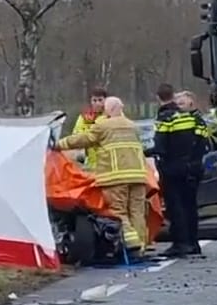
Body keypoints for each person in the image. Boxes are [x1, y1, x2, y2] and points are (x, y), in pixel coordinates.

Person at [54, 96, 151, 257]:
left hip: (115, 177)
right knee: (137, 212)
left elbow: (84, 139)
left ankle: (130, 245)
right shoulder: (133, 126)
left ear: (110, 109)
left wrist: (58, 145)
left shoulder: (103, 125)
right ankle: (141, 246)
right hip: (138, 176)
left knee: (119, 212)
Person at [152, 85, 208, 257]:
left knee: (175, 206)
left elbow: (160, 147)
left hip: (173, 169)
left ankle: (180, 243)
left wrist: (145, 152)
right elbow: (201, 143)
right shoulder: (196, 120)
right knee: (190, 205)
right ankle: (193, 242)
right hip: (193, 168)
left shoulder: (166, 119)